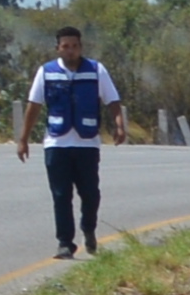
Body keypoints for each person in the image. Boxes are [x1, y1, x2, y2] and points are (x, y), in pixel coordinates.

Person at [18, 21, 123, 257]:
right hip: (57, 144)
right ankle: (65, 243)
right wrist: (23, 139)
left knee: (90, 194)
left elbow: (112, 101)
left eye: (75, 46)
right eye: (65, 46)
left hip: (87, 144)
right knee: (60, 195)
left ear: (81, 47)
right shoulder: (46, 72)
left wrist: (119, 126)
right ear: (58, 48)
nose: (70, 50)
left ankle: (88, 229)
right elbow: (34, 106)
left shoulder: (96, 70)